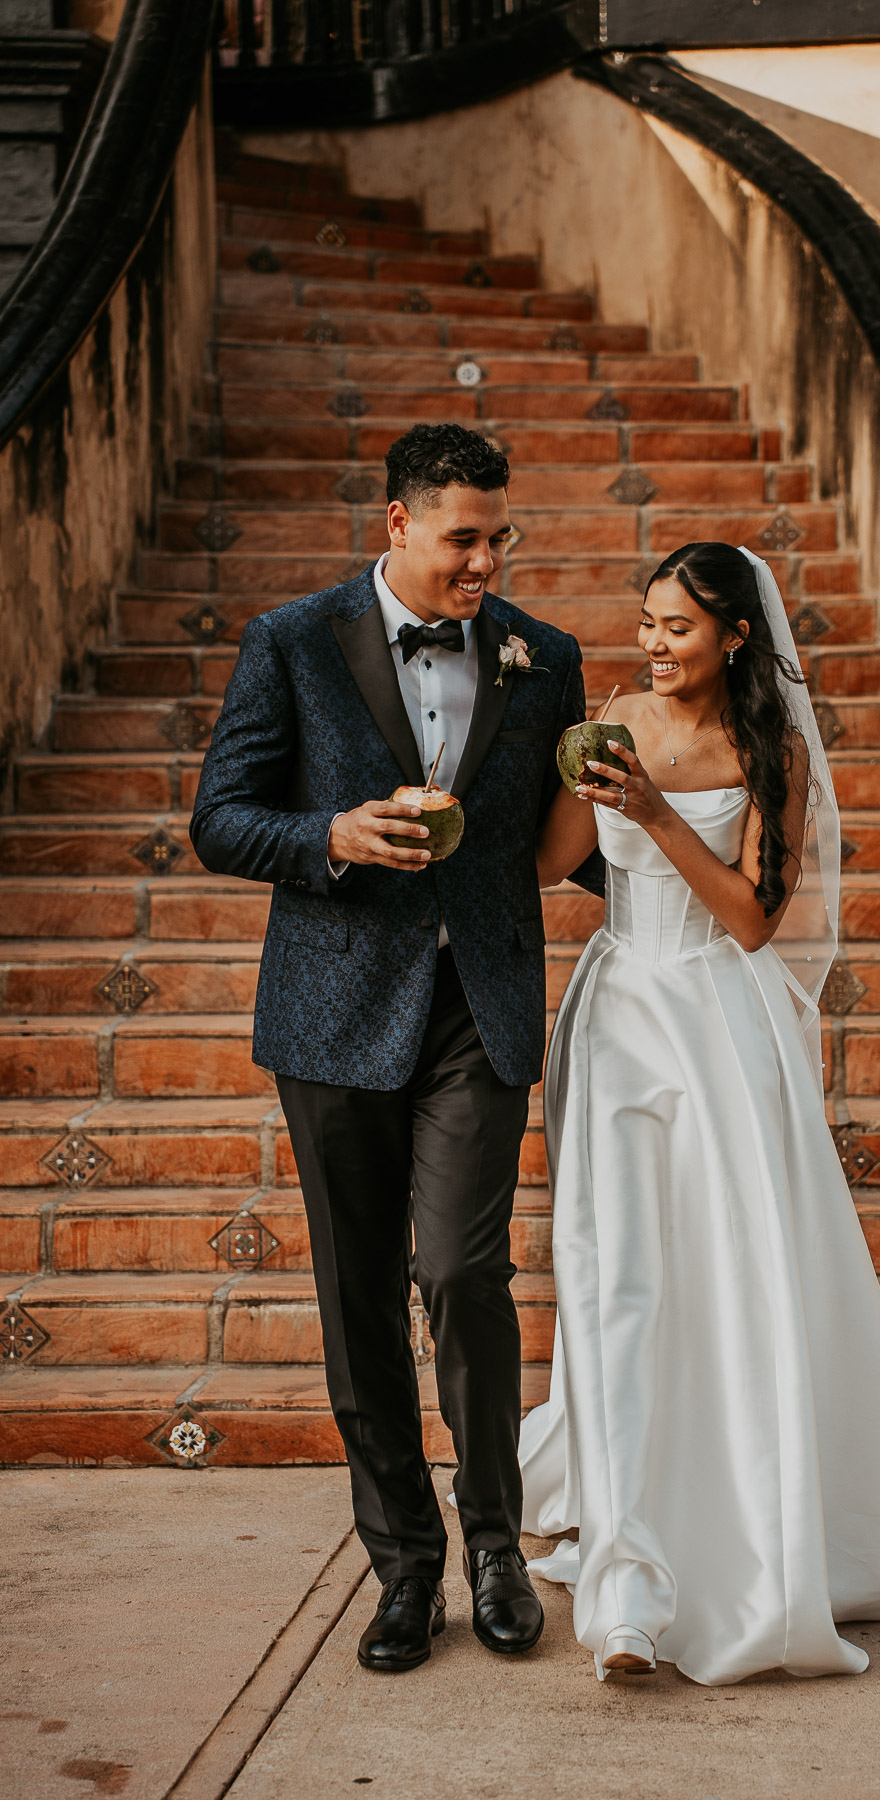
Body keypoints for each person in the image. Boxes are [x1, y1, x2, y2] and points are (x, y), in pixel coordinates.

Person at [519, 541, 880, 1685]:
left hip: (720, 1024)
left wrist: (658, 809)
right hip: (619, 1010)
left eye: (676, 627)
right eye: (646, 623)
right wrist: (582, 788)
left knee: (734, 1271)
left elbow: (751, 921)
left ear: (734, 637)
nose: (652, 643)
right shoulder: (619, 714)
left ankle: (750, 1514)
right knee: (616, 1271)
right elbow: (551, 861)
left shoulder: (770, 752)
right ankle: (629, 1576)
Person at [191, 423, 603, 1674]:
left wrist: (691, 832)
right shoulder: (292, 641)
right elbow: (220, 819)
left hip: (477, 1006)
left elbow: (566, 831)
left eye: (499, 535)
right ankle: (404, 1563)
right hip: (331, 1008)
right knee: (357, 1290)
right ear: (397, 525)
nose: (485, 559)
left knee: (462, 1271)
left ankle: (493, 1544)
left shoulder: (548, 658)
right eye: (462, 537)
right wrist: (333, 834)